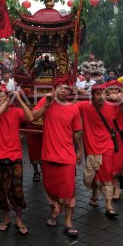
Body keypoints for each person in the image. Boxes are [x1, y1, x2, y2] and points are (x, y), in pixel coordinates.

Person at [33, 78, 83, 237]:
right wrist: (47, 104)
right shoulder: (45, 101)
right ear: (54, 89)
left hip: (67, 155)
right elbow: (33, 117)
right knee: (50, 187)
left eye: (67, 89)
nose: (64, 91)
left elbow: (77, 132)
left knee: (69, 189)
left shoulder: (74, 108)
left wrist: (80, 150)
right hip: (48, 154)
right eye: (61, 88)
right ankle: (55, 210)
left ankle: (68, 221)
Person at [0, 85, 33, 235]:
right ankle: (6, 217)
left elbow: (30, 117)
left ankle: (19, 217)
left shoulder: (16, 111)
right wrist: (7, 99)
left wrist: (18, 99)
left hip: (15, 156)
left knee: (17, 190)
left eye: (2, 95)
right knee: (1, 191)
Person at [77, 85, 119, 218]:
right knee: (93, 174)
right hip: (91, 145)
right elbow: (68, 108)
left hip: (107, 145)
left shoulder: (111, 106)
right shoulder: (84, 106)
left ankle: (108, 205)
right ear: (92, 96)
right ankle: (94, 194)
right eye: (97, 94)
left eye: (103, 93)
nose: (100, 96)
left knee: (107, 173)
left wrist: (120, 96)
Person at [104, 81, 123, 200]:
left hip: (121, 139)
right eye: (111, 89)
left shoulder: (121, 102)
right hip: (108, 139)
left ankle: (119, 177)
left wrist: (120, 97)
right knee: (111, 167)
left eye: (116, 89)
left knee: (116, 167)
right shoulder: (103, 103)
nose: (114, 92)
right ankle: (117, 189)